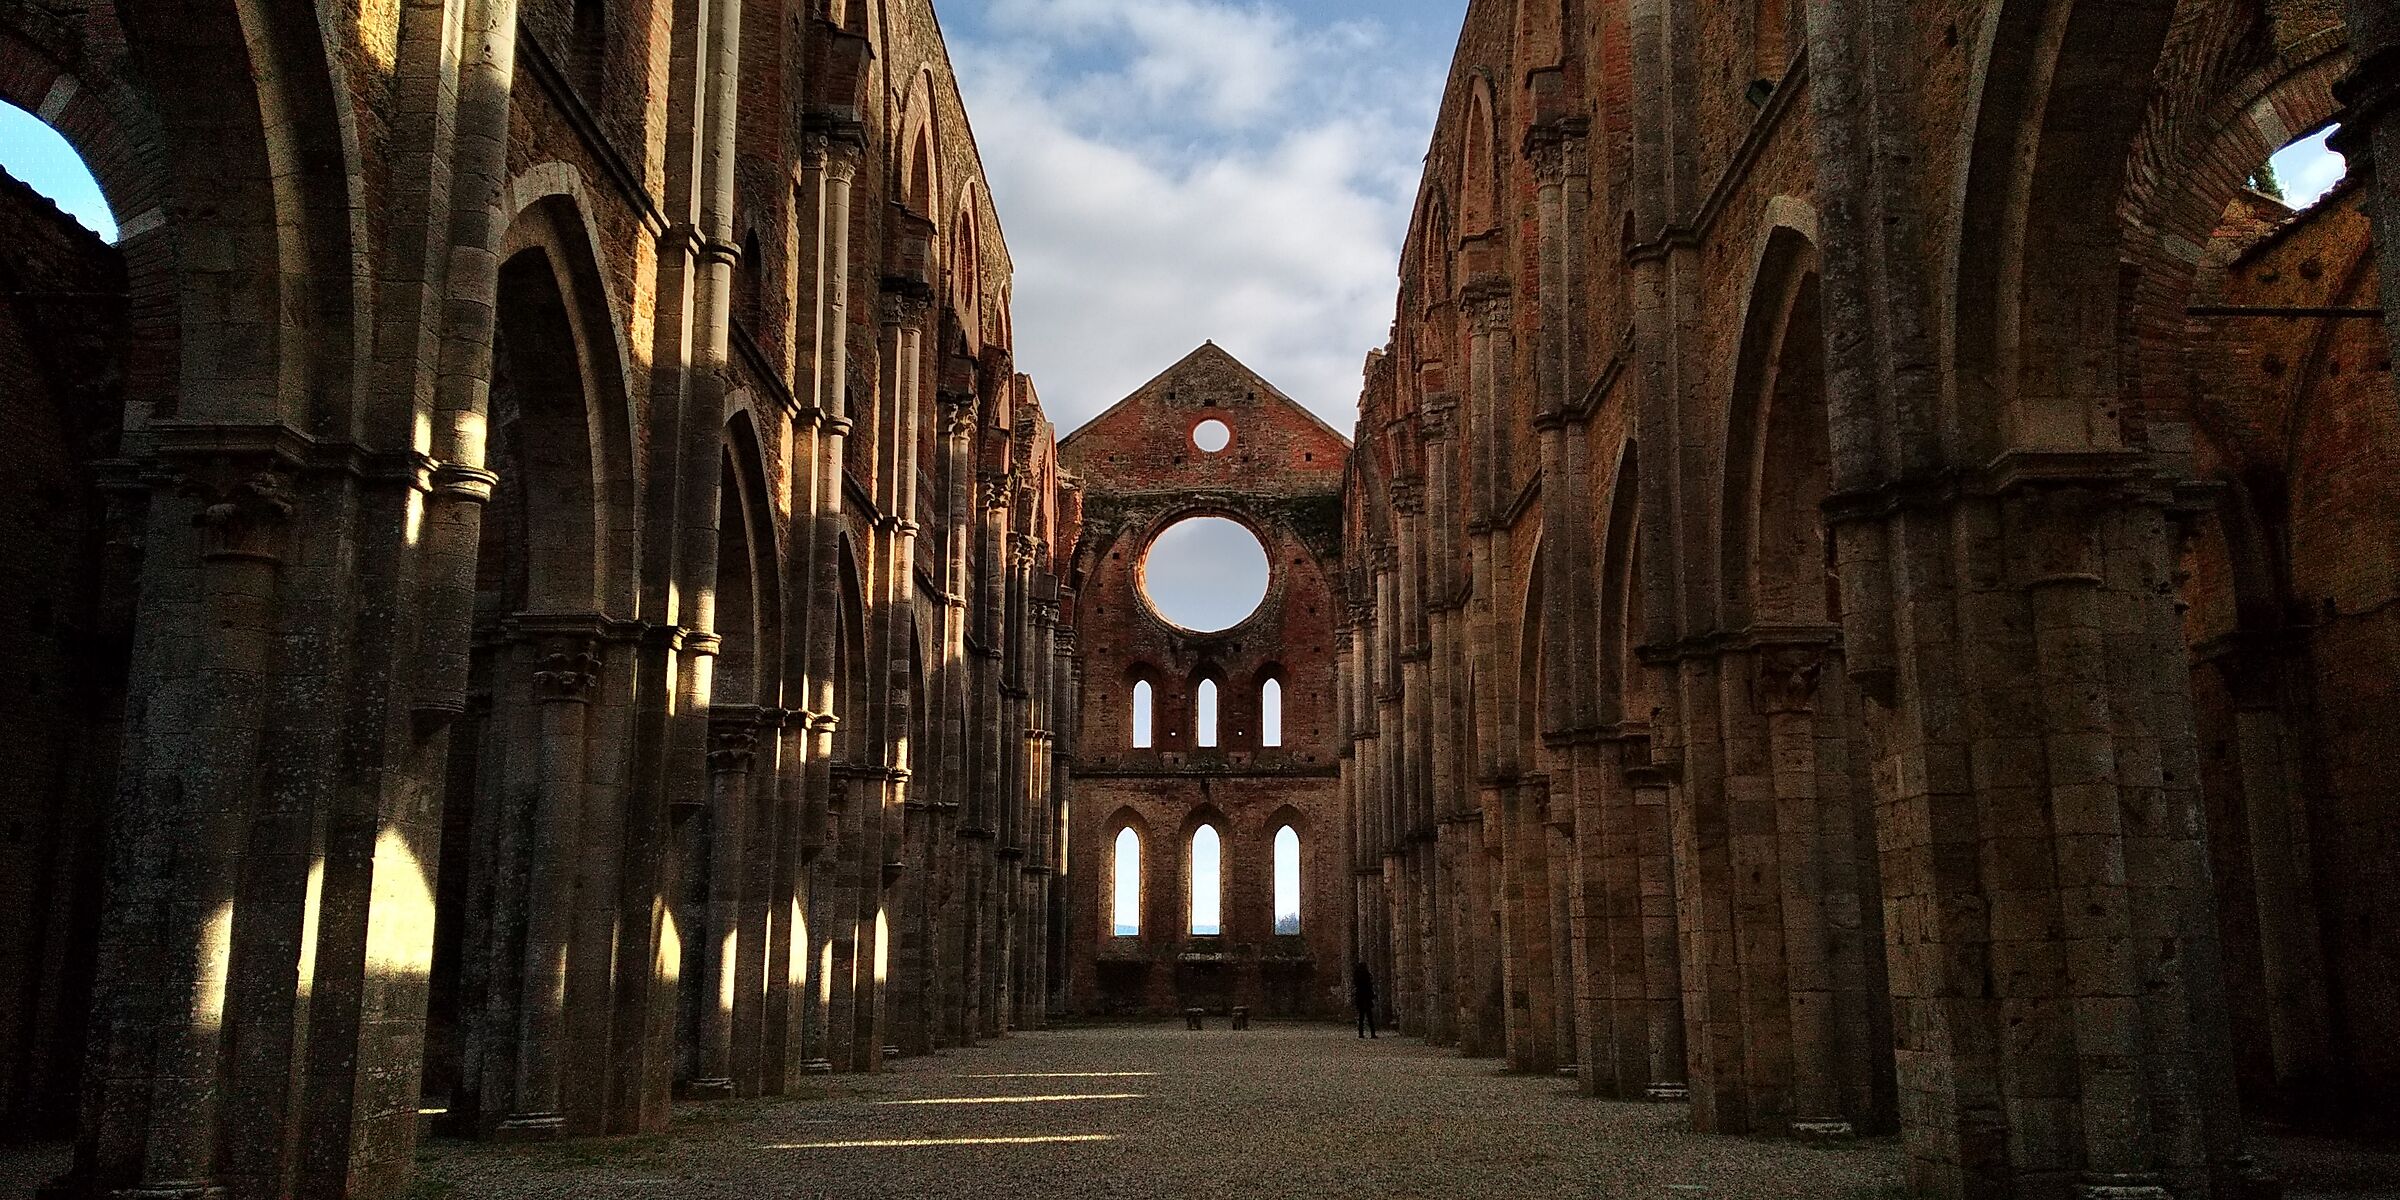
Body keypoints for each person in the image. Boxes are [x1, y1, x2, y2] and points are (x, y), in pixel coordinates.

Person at [1352, 962, 1378, 1039]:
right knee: (1369, 1017)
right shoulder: (1366, 975)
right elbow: (1369, 986)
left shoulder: (1357, 975)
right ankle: (1372, 1033)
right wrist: (1372, 995)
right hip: (1366, 997)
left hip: (1360, 997)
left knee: (1361, 1017)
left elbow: (1356, 985)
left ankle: (1361, 1033)